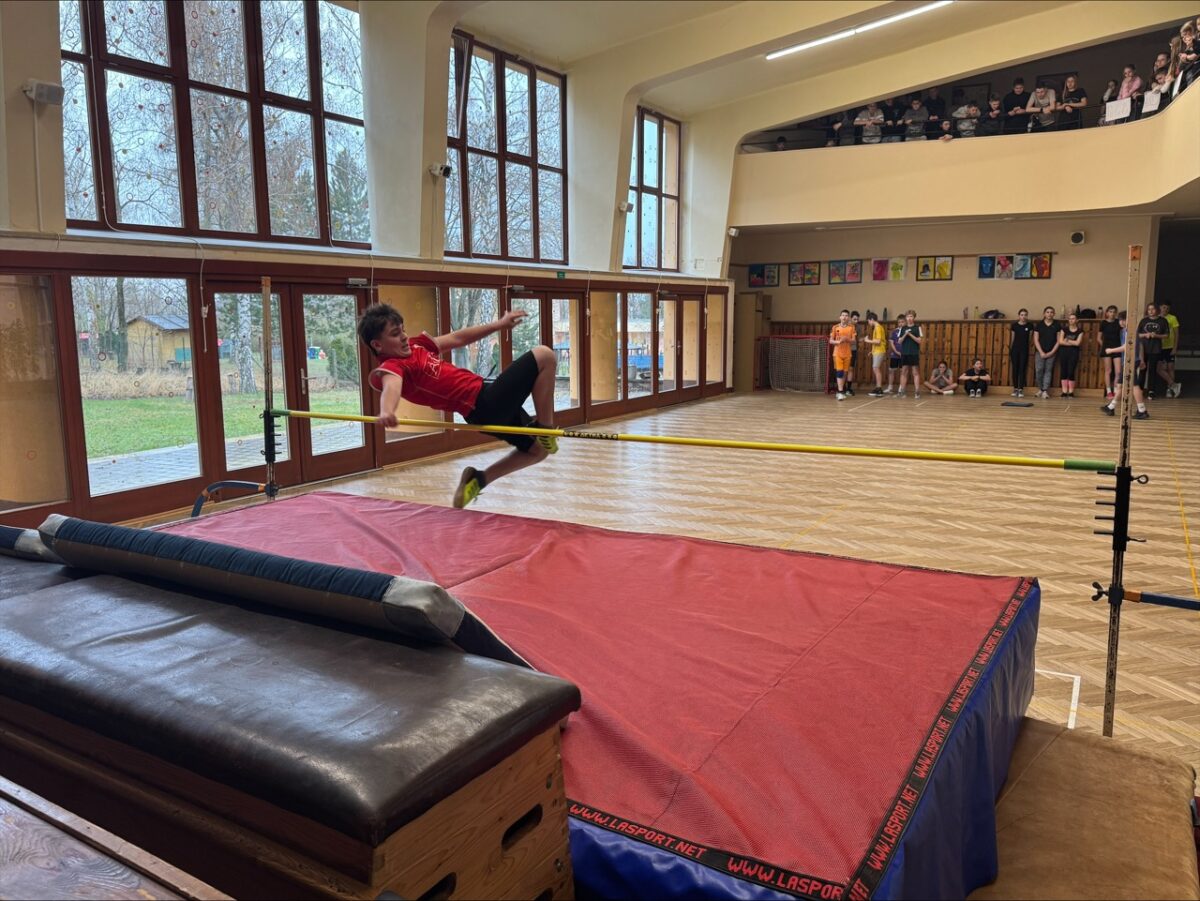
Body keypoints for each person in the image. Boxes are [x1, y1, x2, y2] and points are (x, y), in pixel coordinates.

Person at [358, 302, 558, 509]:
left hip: (483, 404)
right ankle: (545, 429)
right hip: (483, 404)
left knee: (538, 450)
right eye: (395, 334)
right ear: (378, 345)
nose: (404, 336)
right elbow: (391, 386)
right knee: (544, 355)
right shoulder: (393, 366)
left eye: (403, 330)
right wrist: (387, 410)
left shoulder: (417, 346)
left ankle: (479, 479)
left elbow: (458, 338)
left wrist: (499, 324)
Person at [1101, 310, 1149, 420]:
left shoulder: (1130, 331)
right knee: (1121, 385)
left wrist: (1111, 350)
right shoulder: (1124, 331)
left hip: (1131, 361)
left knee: (1134, 385)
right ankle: (1111, 407)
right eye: (1120, 320)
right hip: (1127, 360)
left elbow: (1127, 347)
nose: (1122, 322)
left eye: (1124, 320)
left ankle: (1142, 410)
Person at [1136, 302, 1169, 399]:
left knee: (1153, 370)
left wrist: (1156, 335)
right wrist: (1145, 335)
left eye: (1153, 309)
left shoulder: (1162, 321)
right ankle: (1140, 390)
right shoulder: (1144, 320)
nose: (1150, 311)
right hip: (1143, 348)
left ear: (1157, 310)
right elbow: (1137, 334)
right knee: (1142, 369)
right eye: (1149, 309)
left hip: (1155, 349)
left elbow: (1166, 335)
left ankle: (1151, 391)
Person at [1033, 306, 1061, 399]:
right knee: (1039, 370)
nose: (1049, 314)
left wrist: (1052, 352)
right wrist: (1041, 352)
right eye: (1047, 312)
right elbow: (1036, 340)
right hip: (1040, 352)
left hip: (1051, 352)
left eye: (1051, 312)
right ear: (1044, 314)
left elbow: (1058, 340)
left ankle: (1045, 390)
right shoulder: (1039, 325)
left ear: (1054, 314)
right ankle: (1040, 389)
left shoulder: (1057, 325)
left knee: (1048, 370)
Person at [829, 310, 856, 401]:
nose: (844, 317)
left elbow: (853, 341)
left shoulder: (851, 327)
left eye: (846, 315)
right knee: (839, 372)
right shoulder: (835, 327)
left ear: (848, 318)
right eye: (843, 315)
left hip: (847, 353)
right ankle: (840, 392)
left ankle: (840, 390)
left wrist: (847, 339)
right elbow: (831, 341)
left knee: (844, 372)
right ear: (840, 317)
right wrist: (838, 342)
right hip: (837, 353)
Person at [897, 311, 924, 397]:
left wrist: (910, 334)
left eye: (911, 316)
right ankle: (902, 391)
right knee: (904, 372)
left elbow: (919, 341)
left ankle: (917, 391)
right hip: (905, 353)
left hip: (914, 352)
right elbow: (899, 341)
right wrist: (905, 334)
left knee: (915, 372)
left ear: (914, 317)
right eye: (908, 316)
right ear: (906, 318)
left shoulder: (917, 328)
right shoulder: (902, 328)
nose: (909, 318)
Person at [1097, 304, 1122, 398]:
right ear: (1107, 313)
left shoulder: (1118, 322)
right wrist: (1104, 347)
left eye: (1114, 312)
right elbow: (1099, 338)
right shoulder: (1103, 323)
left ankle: (1115, 390)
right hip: (1107, 349)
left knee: (1118, 371)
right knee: (1108, 370)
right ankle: (1108, 391)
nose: (1112, 314)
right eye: (1110, 312)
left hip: (1117, 348)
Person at [1057, 312, 1083, 398]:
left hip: (1074, 353)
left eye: (1073, 318)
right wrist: (1073, 342)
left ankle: (1071, 392)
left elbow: (1078, 343)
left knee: (1071, 371)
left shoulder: (1080, 331)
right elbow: (1061, 341)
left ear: (1077, 320)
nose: (1071, 320)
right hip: (1063, 352)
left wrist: (1067, 340)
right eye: (1070, 319)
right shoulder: (1064, 329)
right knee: (1064, 370)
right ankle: (1064, 391)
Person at [1009, 308, 1034, 397]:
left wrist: (1027, 347)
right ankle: (1015, 388)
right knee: (1015, 368)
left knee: (1022, 368)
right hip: (1015, 349)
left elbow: (1030, 338)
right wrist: (1011, 349)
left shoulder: (1030, 326)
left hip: (1024, 349)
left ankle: (1021, 389)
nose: (1023, 316)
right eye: (1022, 315)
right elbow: (1012, 338)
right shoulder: (1014, 326)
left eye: (1025, 315)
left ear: (1027, 316)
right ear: (1019, 316)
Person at [1159, 300, 1181, 397]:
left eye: (1167, 308)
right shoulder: (1157, 318)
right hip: (1159, 347)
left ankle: (1170, 390)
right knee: (1160, 369)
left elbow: (1176, 334)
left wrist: (1175, 348)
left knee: (1170, 368)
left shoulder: (1172, 318)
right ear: (1160, 307)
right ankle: (1174, 385)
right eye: (1164, 307)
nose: (1165, 309)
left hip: (1170, 347)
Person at [864, 311, 887, 396]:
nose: (868, 323)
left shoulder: (877, 328)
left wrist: (867, 340)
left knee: (876, 368)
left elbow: (878, 341)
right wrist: (872, 351)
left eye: (868, 321)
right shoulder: (878, 327)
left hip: (879, 350)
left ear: (872, 319)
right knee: (876, 368)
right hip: (877, 350)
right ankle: (878, 388)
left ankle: (879, 389)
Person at [884, 314, 905, 394]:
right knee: (891, 370)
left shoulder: (907, 332)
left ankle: (901, 387)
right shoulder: (894, 331)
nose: (901, 323)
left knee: (902, 371)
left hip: (903, 354)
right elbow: (891, 343)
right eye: (899, 322)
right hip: (894, 354)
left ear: (905, 322)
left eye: (902, 322)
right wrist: (896, 351)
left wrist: (903, 353)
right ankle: (890, 387)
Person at [847, 311, 861, 395]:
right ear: (850, 318)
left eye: (857, 319)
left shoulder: (858, 327)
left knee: (851, 368)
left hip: (853, 349)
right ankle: (841, 388)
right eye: (854, 319)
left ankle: (848, 388)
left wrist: (862, 340)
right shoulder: (845, 326)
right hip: (845, 349)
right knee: (844, 369)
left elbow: (857, 339)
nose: (856, 321)